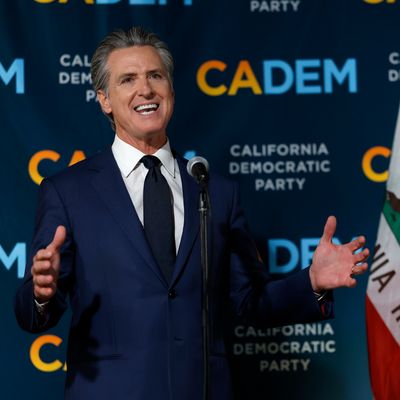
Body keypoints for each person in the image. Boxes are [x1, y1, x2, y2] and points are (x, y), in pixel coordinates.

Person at [14, 27, 369, 400]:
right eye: (128, 80)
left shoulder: (216, 191)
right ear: (104, 99)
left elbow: (249, 301)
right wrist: (41, 293)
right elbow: (30, 313)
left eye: (155, 76)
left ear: (170, 89)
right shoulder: (68, 192)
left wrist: (311, 282)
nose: (145, 89)